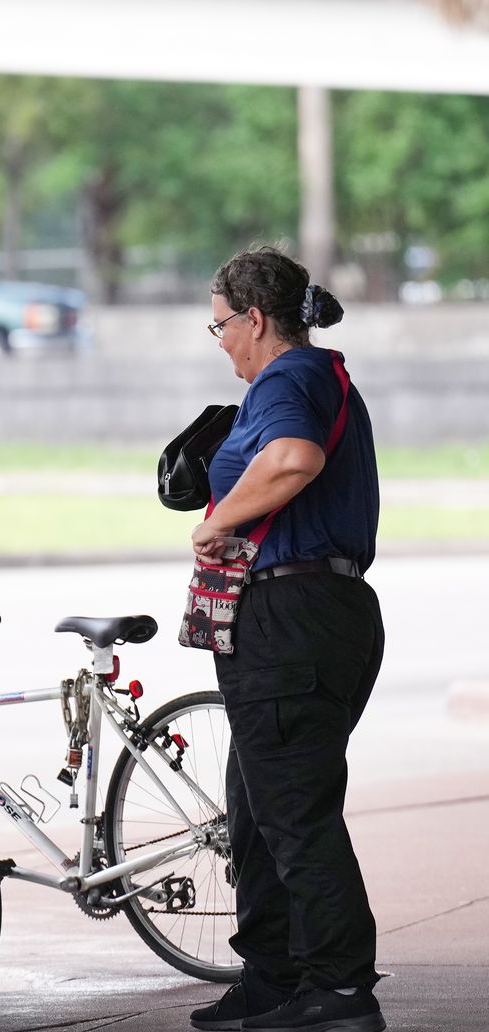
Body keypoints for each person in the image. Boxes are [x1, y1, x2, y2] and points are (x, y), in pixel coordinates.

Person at [187, 248, 385, 1032]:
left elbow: (294, 458)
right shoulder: (314, 378)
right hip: (312, 614)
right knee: (257, 806)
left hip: (292, 614)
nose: (223, 342)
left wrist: (218, 519)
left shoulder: (288, 378)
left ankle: (338, 989)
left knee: (294, 813)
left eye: (221, 326)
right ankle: (273, 976)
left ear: (256, 319)